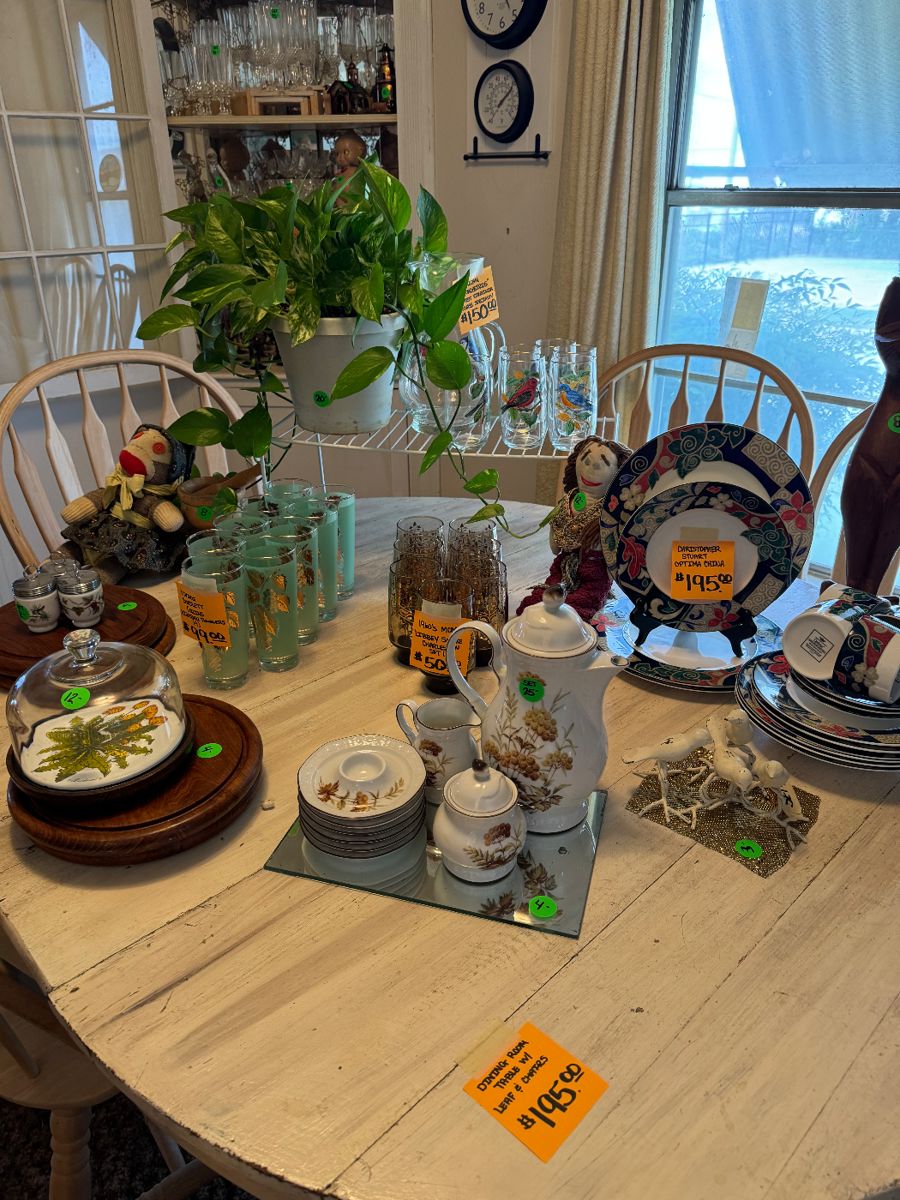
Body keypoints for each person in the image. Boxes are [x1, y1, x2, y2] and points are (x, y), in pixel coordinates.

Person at [517, 436, 631, 621]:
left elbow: (615, 556)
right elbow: (556, 546)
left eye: (603, 463)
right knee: (537, 600)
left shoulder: (612, 514)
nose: (591, 466)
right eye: (585, 459)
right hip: (564, 566)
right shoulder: (567, 503)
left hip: (595, 573)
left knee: (578, 608)